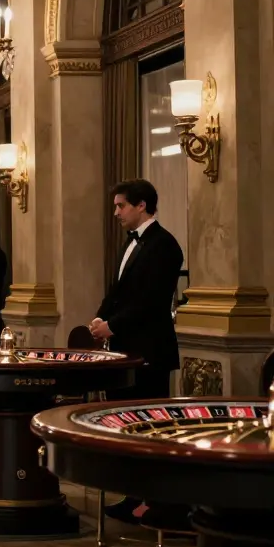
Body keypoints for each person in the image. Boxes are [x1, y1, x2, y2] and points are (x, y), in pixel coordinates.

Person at [90, 179, 183, 525]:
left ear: (141, 205)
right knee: (127, 428)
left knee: (150, 429)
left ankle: (155, 501)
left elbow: (151, 302)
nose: (116, 212)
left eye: (120, 206)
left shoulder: (165, 245)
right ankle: (132, 496)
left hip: (149, 351)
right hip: (125, 349)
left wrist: (112, 326)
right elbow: (118, 291)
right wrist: (101, 316)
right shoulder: (129, 244)